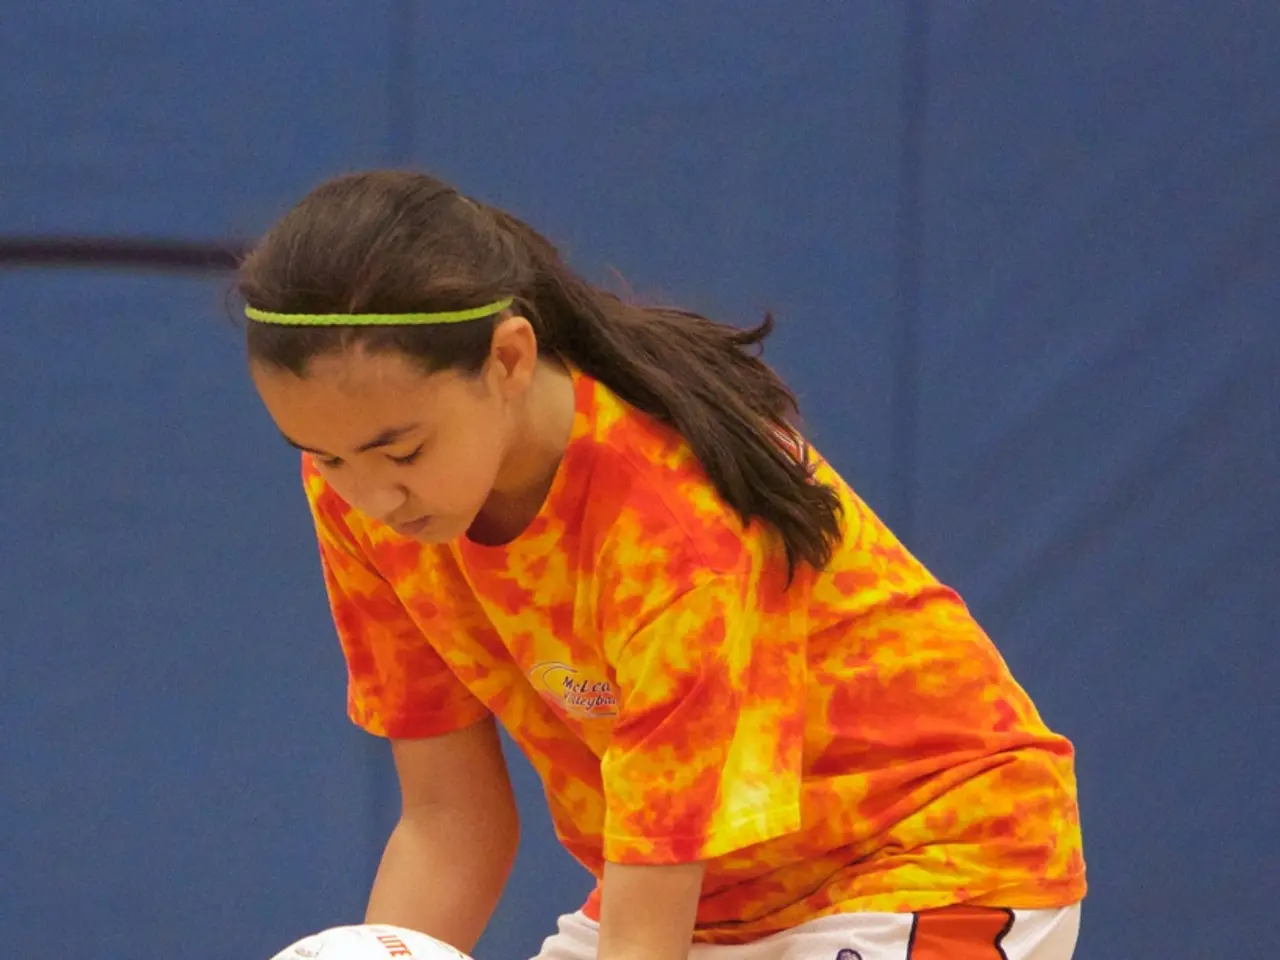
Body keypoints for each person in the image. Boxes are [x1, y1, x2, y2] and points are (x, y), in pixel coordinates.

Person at [239, 170, 1086, 960]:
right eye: (326, 456)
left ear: (509, 359)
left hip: (933, 865)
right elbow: (451, 822)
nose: (370, 495)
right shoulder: (361, 496)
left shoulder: (670, 526)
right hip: (699, 895)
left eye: (403, 452)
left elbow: (648, 926)